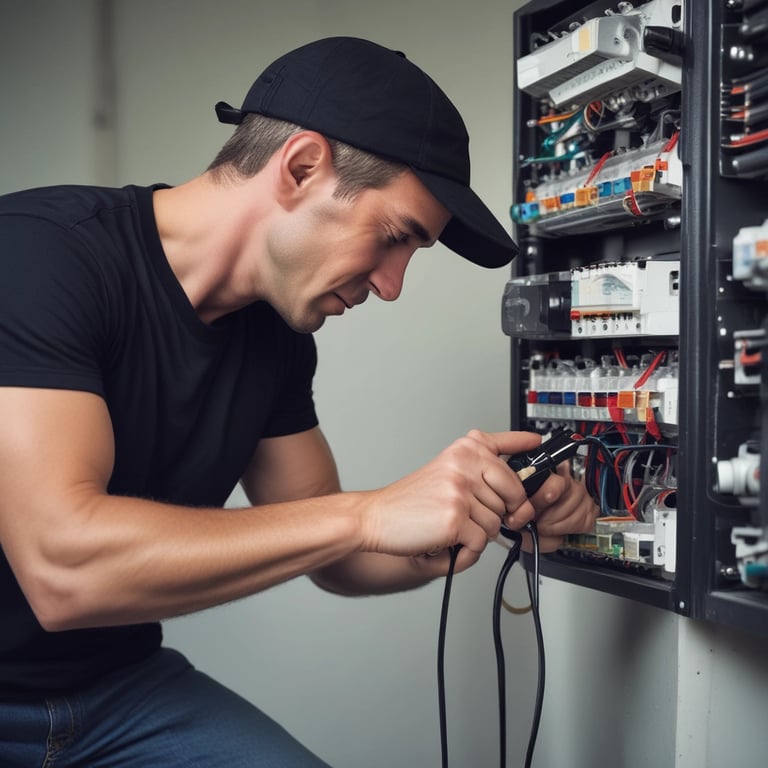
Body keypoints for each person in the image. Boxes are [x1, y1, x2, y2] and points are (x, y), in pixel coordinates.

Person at [0, 36, 597, 767]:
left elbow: (336, 554)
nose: (391, 286)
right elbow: (64, 572)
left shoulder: (276, 336)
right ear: (302, 167)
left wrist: (483, 513)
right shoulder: (38, 257)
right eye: (394, 237)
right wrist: (368, 514)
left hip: (117, 691)